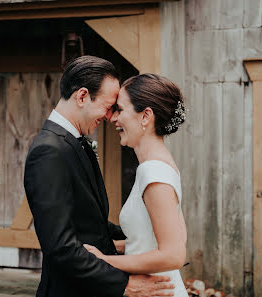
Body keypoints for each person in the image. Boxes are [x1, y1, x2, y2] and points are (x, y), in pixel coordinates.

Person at [23, 56, 175, 297]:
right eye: (107, 107)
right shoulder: (49, 151)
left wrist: (140, 234)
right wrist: (124, 285)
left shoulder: (72, 142)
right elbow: (60, 246)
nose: (109, 117)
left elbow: (86, 220)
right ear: (82, 96)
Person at [84, 73, 188, 297]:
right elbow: (171, 237)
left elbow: (174, 254)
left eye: (120, 109)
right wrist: (112, 246)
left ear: (145, 116)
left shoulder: (154, 173)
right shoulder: (161, 166)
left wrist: (104, 261)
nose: (113, 118)